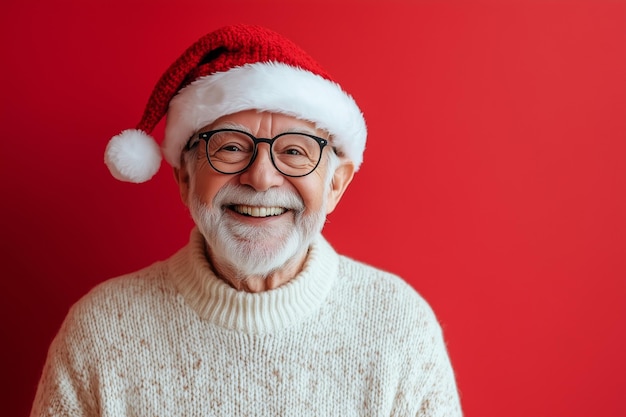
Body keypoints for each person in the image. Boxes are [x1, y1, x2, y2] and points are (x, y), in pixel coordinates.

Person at [30, 24, 463, 416]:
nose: (261, 177)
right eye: (231, 147)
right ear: (184, 177)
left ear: (335, 185)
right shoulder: (102, 332)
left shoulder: (400, 328)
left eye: (294, 151)